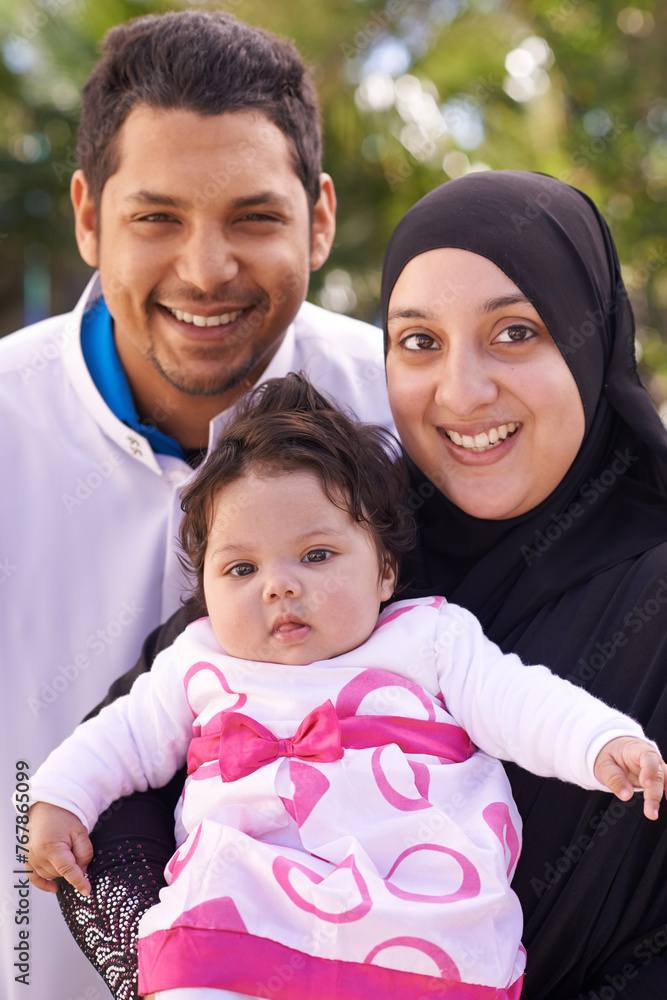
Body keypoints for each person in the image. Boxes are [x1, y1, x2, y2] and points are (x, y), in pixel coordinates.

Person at [26, 374, 666, 1000]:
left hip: (414, 911)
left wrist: (599, 742)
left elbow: (521, 701)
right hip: (242, 914)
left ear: (385, 568)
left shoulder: (429, 640)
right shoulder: (198, 660)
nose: (278, 586)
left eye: (316, 555)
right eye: (242, 568)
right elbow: (120, 737)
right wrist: (59, 799)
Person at [1, 10, 392, 999]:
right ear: (88, 216)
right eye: (157, 217)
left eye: (254, 218)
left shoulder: (398, 408)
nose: (207, 269)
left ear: (320, 217)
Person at [381, 170, 667, 999]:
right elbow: (100, 794)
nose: (462, 392)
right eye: (419, 341)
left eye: (514, 332)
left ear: (589, 342)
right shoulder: (330, 551)